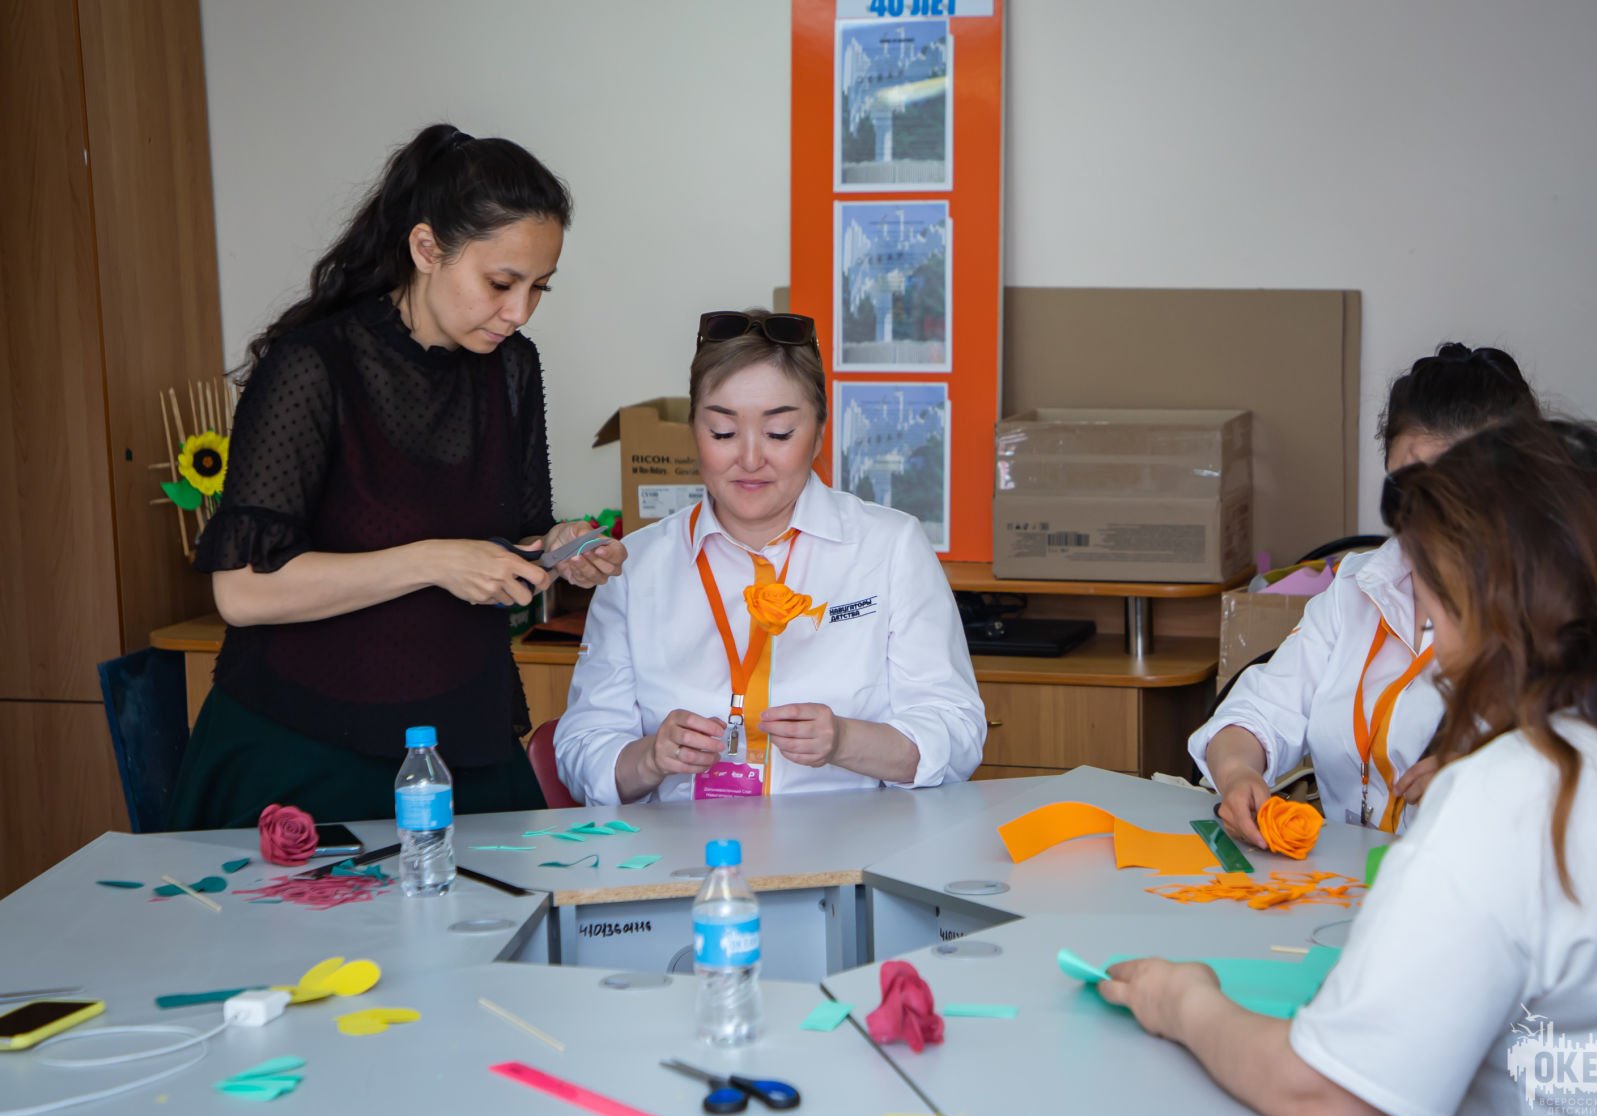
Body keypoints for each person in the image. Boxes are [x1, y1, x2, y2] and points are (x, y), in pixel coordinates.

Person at [1101, 417, 1597, 1116]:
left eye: (1434, 602)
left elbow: (1328, 1096)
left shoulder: (1509, 796)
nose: (1432, 636)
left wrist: (1182, 1001)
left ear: (1493, 604)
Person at [168, 124, 626, 830]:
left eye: (538, 288)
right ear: (425, 248)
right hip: (305, 746)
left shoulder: (512, 368)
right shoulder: (314, 366)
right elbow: (242, 591)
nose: (518, 312)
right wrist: (432, 561)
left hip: (461, 739)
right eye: (500, 283)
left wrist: (559, 549)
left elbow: (515, 538)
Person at [556, 309, 985, 805]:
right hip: (682, 847)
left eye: (779, 433)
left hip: (850, 841)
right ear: (693, 432)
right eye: (722, 432)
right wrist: (650, 758)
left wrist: (845, 741)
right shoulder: (637, 565)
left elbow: (958, 735)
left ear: (819, 434)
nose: (750, 458)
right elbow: (580, 751)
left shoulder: (889, 547)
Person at [1188, 344, 1539, 843]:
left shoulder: (1556, 609)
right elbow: (1262, 709)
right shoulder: (1358, 587)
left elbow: (1596, 774)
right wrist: (1238, 773)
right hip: (1346, 876)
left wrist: (1494, 777)